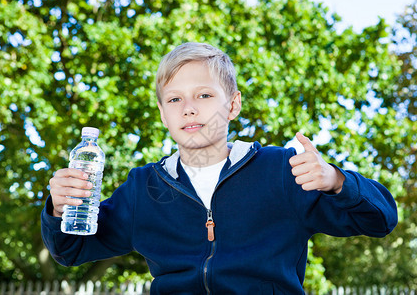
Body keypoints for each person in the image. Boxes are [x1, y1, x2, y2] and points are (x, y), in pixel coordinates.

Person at [42, 42, 398, 294]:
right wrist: (59, 210)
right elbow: (71, 251)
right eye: (175, 99)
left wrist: (336, 181)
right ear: (164, 114)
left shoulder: (282, 172)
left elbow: (381, 219)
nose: (189, 109)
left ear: (233, 105)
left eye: (204, 95)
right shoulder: (143, 187)